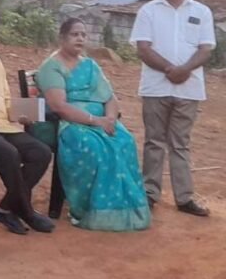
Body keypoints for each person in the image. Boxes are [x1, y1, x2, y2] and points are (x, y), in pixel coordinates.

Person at [36, 18, 151, 232]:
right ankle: (92, 208)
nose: (80, 38)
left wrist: (110, 119)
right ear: (62, 38)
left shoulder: (90, 65)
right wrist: (95, 120)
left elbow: (110, 97)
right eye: (74, 34)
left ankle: (122, 207)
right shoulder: (51, 67)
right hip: (71, 123)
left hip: (102, 121)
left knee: (125, 141)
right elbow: (59, 106)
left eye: (83, 34)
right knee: (95, 147)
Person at [129, 0, 214, 217]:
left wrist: (184, 70)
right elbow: (143, 48)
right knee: (154, 141)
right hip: (156, 88)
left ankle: (184, 198)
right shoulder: (148, 11)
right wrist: (170, 69)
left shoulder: (202, 12)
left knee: (180, 144)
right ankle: (149, 194)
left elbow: (206, 49)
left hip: (189, 89)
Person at [0, 26, 55, 234]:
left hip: (3, 125)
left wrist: (25, 113)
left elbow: (7, 101)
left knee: (41, 152)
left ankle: (6, 208)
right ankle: (26, 211)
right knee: (9, 153)